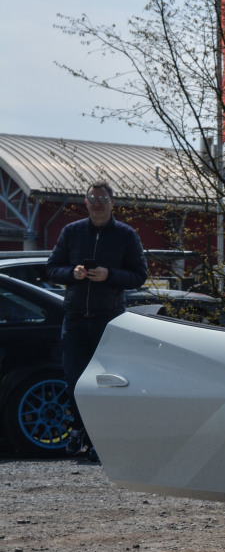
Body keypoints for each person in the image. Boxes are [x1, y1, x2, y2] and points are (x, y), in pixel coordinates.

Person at [45, 182, 148, 462]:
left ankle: (97, 441)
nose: (97, 203)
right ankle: (78, 428)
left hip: (109, 320)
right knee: (75, 380)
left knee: (105, 383)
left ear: (112, 202)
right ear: (86, 202)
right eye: (92, 198)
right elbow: (52, 269)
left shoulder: (126, 235)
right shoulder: (72, 232)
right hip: (76, 319)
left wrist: (109, 275)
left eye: (102, 198)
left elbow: (139, 275)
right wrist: (72, 272)